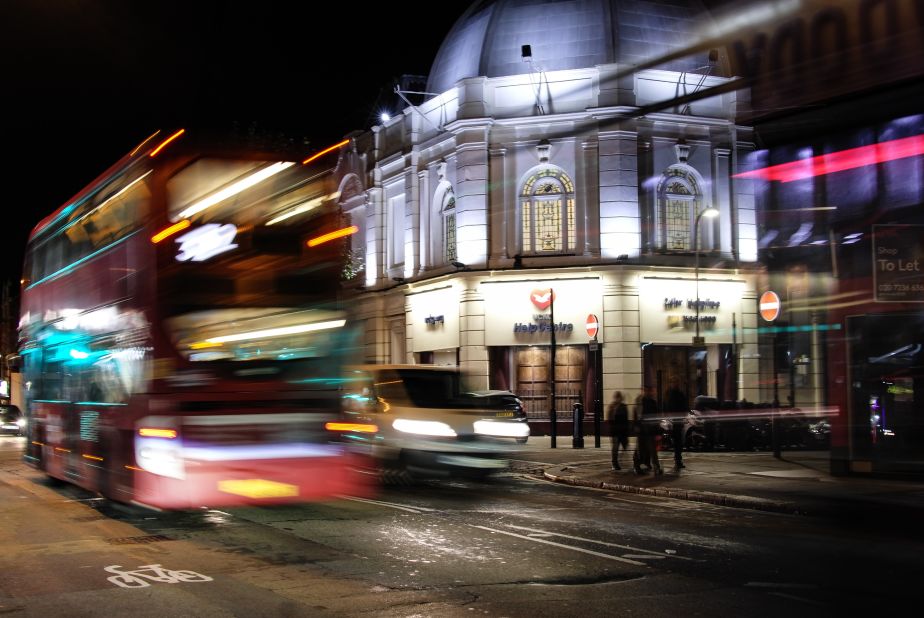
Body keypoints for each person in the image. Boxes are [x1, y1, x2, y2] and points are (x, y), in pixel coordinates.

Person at [633, 385, 662, 475]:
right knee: (640, 450)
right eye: (646, 390)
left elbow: (656, 416)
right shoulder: (640, 401)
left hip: (650, 430)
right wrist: (636, 426)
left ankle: (656, 467)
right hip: (642, 430)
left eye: (649, 391)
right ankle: (637, 466)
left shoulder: (652, 402)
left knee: (652, 450)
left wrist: (657, 428)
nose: (649, 392)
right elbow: (637, 415)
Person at [664, 376, 688, 469]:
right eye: (674, 382)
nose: (675, 384)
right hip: (675, 421)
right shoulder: (671, 394)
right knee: (677, 442)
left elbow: (683, 405)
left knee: (678, 442)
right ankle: (677, 460)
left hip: (678, 421)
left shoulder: (676, 394)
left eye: (676, 382)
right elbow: (668, 407)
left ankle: (678, 459)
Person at [607, 391, 629, 470]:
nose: (618, 399)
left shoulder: (624, 406)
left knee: (625, 446)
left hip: (622, 431)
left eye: (619, 397)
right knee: (615, 448)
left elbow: (626, 419)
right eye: (617, 397)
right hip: (615, 431)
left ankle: (618, 461)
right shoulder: (612, 406)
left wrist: (626, 430)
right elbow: (610, 419)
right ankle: (615, 463)